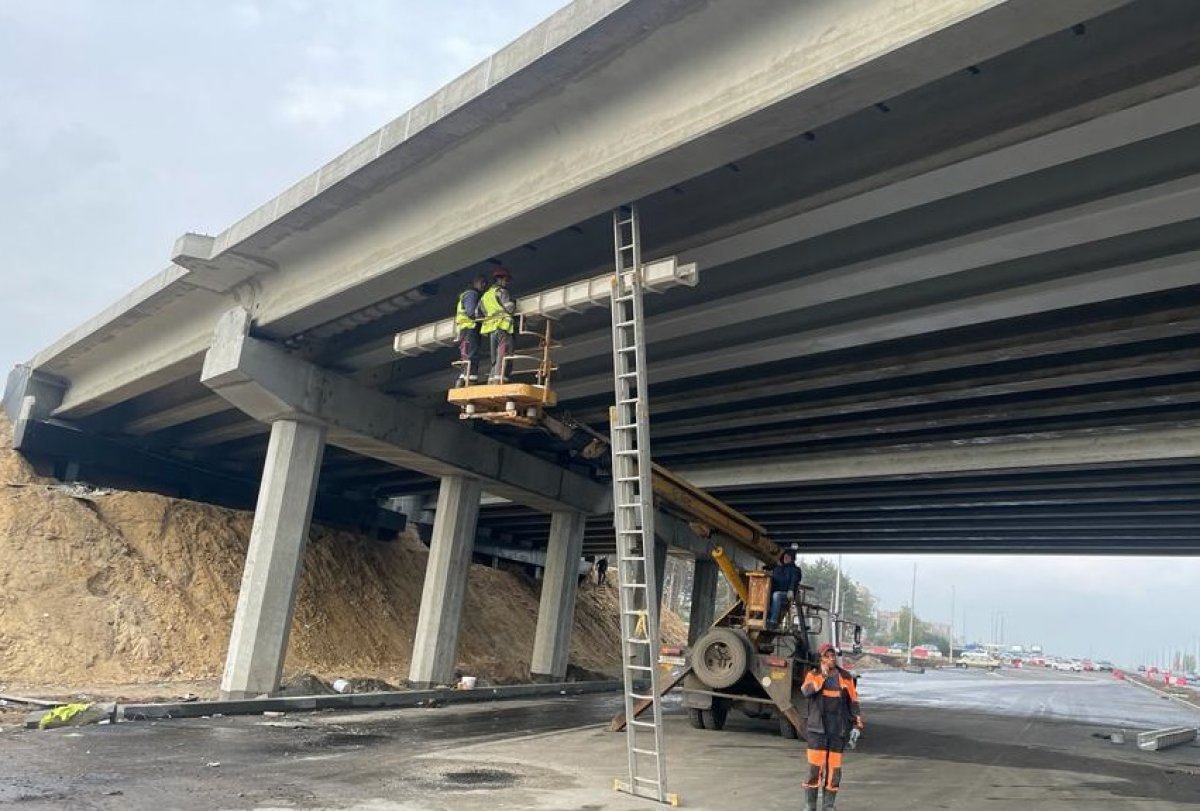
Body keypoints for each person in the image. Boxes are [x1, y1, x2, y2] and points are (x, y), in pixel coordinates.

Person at [800, 642, 864, 811]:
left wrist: (857, 726)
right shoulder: (813, 675)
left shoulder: (846, 677)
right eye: (827, 656)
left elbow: (854, 703)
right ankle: (810, 805)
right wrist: (823, 675)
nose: (831, 658)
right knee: (815, 770)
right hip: (817, 732)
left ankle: (829, 806)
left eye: (833, 655)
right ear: (821, 659)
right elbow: (806, 692)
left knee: (834, 772)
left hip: (837, 731)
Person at [479, 267, 517, 383]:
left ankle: (491, 378)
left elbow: (479, 312)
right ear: (500, 279)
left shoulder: (485, 296)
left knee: (494, 356)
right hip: (502, 326)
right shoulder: (502, 292)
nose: (506, 283)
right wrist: (513, 303)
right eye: (506, 280)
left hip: (491, 328)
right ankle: (499, 379)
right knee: (503, 353)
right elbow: (509, 308)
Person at [454, 274, 488, 386]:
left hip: (465, 329)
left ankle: (463, 380)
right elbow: (471, 313)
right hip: (470, 328)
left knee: (467, 356)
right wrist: (486, 317)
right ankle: (471, 381)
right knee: (472, 355)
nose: (484, 285)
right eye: (482, 283)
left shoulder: (468, 294)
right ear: (475, 283)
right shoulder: (472, 294)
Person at [767, 549, 802, 628]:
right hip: (774, 592)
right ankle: (766, 616)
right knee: (766, 594)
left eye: (788, 557)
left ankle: (773, 621)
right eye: (785, 557)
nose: (785, 558)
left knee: (776, 595)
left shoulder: (795, 570)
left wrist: (791, 590)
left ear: (792, 559)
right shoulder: (777, 569)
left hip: (786, 594)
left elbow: (794, 580)